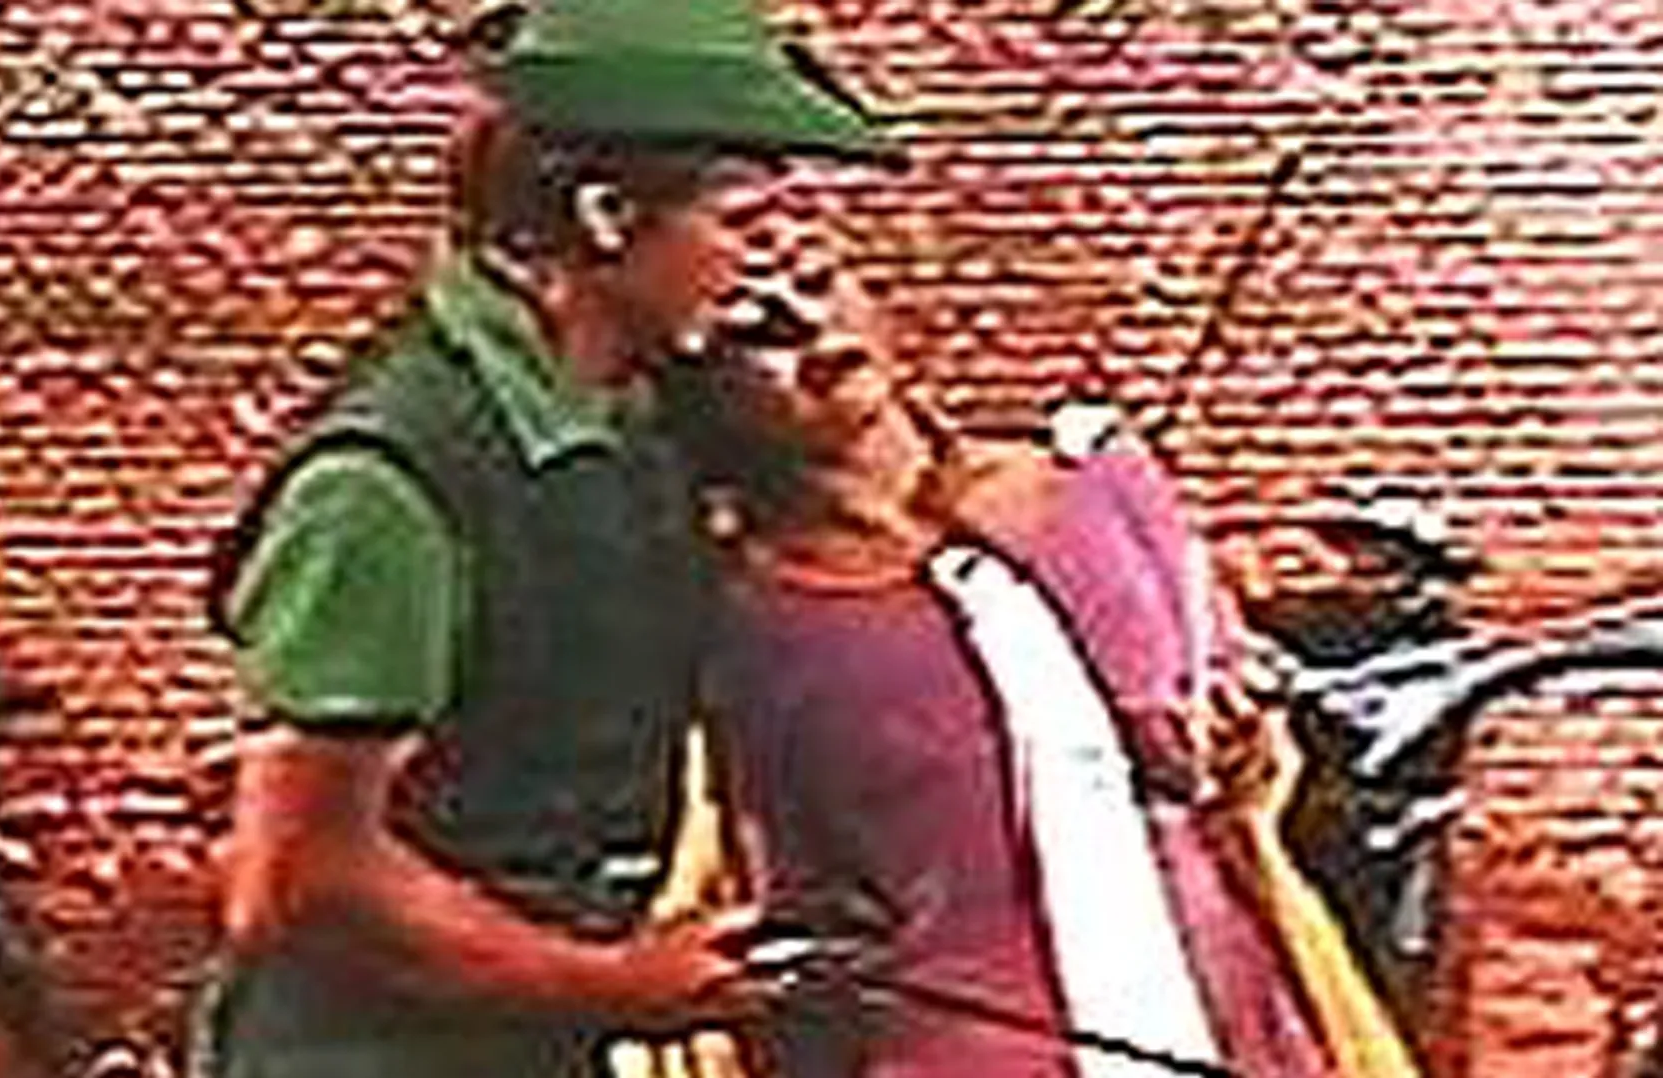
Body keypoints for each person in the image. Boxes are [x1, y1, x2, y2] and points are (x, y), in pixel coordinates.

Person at [200, 2, 890, 1077]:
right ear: (607, 217)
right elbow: (300, 880)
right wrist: (609, 984)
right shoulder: (386, 487)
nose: (766, 272)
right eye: (742, 227)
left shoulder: (632, 410)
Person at [669, 265, 1409, 1078]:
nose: (808, 326)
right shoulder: (754, 629)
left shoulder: (1087, 485)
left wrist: (1234, 730)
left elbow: (1201, 743)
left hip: (1217, 1011)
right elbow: (787, 895)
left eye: (817, 281)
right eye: (754, 327)